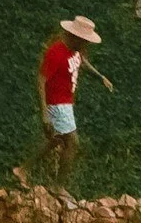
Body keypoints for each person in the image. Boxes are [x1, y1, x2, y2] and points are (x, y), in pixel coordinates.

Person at [36, 14, 109, 176]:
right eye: (85, 40)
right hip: (57, 102)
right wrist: (45, 113)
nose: (87, 44)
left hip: (66, 101)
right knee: (73, 143)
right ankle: (58, 186)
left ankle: (22, 170)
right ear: (75, 37)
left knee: (56, 139)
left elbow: (81, 61)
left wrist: (100, 76)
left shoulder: (76, 50)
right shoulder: (56, 52)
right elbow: (41, 80)